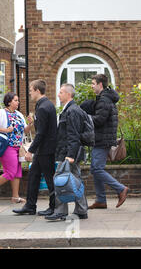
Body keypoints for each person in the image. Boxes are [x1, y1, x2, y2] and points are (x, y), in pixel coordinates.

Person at [13, 80, 57, 216]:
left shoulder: (43, 107)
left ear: (38, 90)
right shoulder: (45, 105)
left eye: (31, 90)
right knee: (33, 176)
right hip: (43, 150)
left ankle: (54, 207)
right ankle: (30, 206)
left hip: (45, 150)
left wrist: (30, 150)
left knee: (49, 178)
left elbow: (41, 133)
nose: (30, 93)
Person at [84, 74, 128, 209]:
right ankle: (101, 200)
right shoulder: (106, 98)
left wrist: (84, 117)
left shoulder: (104, 100)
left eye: (93, 84)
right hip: (103, 138)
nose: (92, 86)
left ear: (100, 85)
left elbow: (99, 120)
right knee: (95, 168)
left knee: (96, 168)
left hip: (102, 139)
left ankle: (120, 189)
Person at [45, 84, 88, 221]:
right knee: (76, 181)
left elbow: (73, 135)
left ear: (68, 94)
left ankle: (60, 211)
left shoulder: (73, 111)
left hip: (68, 154)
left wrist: (70, 155)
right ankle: (81, 210)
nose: (58, 95)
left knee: (59, 180)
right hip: (68, 153)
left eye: (61, 92)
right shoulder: (69, 110)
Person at [0, 93, 31, 203]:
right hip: (7, 146)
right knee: (10, 173)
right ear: (9, 102)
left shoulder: (19, 114)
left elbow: (25, 131)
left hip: (19, 147)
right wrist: (6, 130)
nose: (18, 102)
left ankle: (15, 197)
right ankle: (15, 196)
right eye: (15, 100)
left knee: (17, 172)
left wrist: (30, 123)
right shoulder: (2, 113)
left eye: (18, 100)